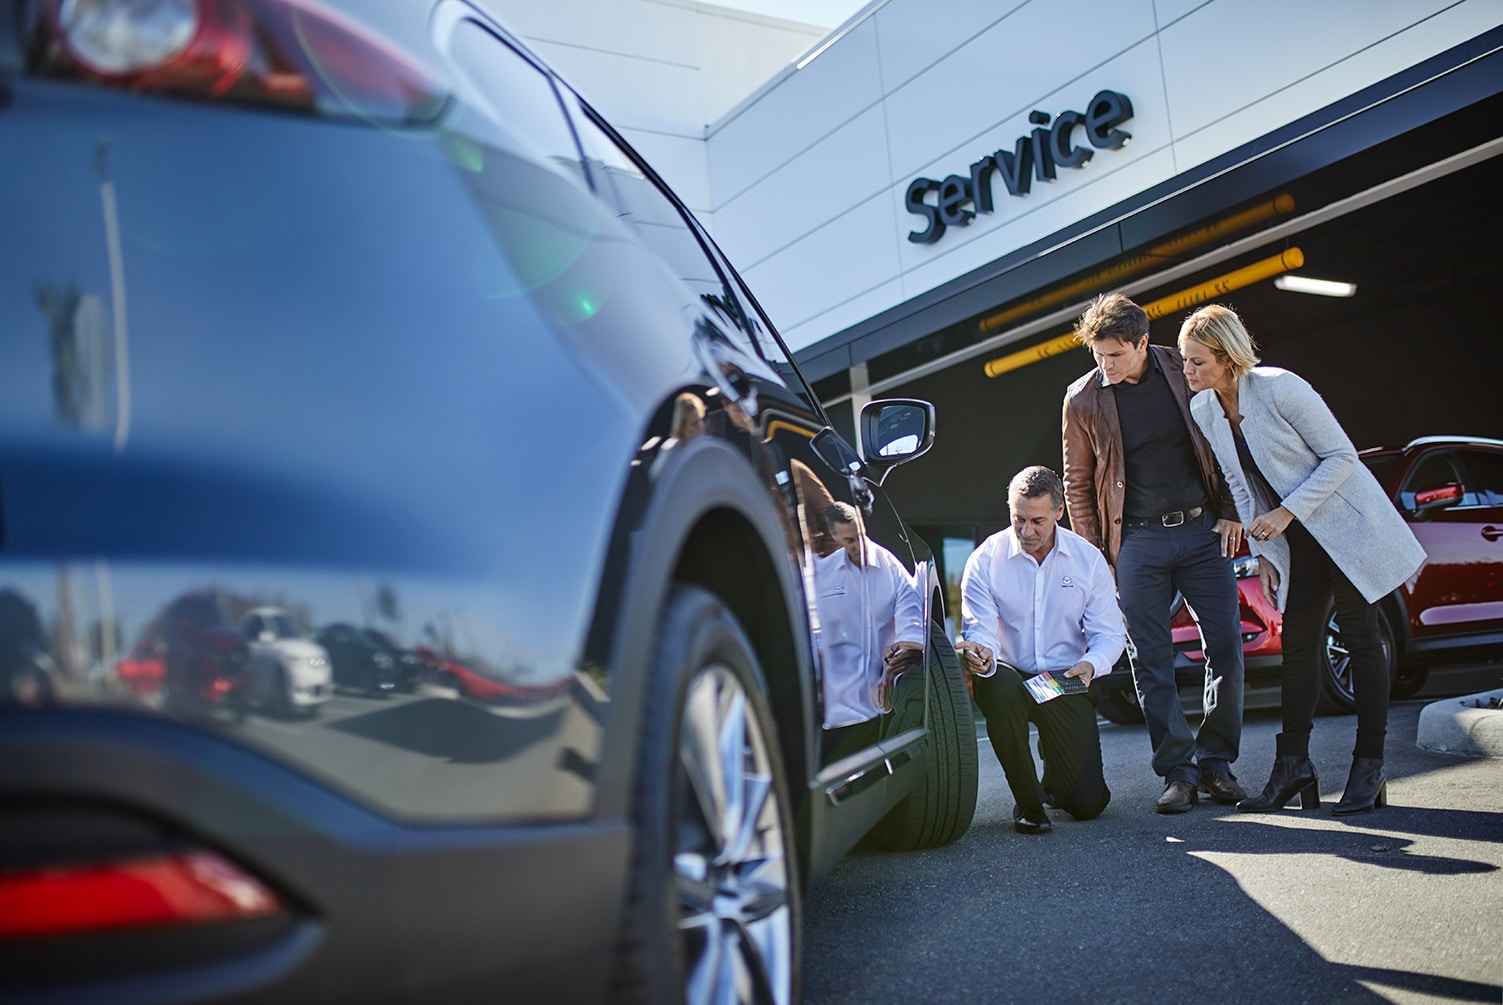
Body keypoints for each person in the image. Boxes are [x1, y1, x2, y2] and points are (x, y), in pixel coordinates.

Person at [1178, 304, 1425, 814]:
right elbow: (1241, 488)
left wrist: (1287, 514)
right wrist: (1265, 552)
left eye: (1196, 362)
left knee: (1360, 635)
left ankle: (1369, 764)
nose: (1187, 371)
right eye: (1185, 360)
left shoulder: (1280, 388)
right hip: (1298, 539)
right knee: (1298, 646)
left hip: (1346, 528)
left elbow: (1342, 457)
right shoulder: (1205, 410)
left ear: (1226, 358)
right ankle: (1293, 766)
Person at [1062, 292, 1247, 813]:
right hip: (1136, 541)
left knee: (1226, 647)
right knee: (1150, 659)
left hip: (1201, 531)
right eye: (1097, 356)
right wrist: (1097, 557)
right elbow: (1077, 482)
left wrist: (1232, 510)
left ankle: (1216, 766)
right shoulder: (1082, 399)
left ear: (1143, 343)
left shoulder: (1180, 367)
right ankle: (1178, 773)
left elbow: (1223, 441)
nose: (1105, 366)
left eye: (1115, 355)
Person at [957, 466, 1125, 833]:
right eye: (1018, 519)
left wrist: (1091, 664)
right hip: (1010, 678)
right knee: (1001, 690)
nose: (1026, 531)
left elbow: (1110, 635)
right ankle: (1028, 804)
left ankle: (1054, 774)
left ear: (1059, 512)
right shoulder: (985, 560)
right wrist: (982, 653)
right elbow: (981, 629)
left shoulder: (1087, 560)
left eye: (1037, 521)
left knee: (1087, 805)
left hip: (1062, 680)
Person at [815, 502, 924, 760]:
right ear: (835, 537)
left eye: (861, 536)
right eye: (849, 540)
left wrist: (895, 665)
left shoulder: (893, 569)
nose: (858, 545)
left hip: (887, 682)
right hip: (839, 691)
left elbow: (911, 623)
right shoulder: (822, 575)